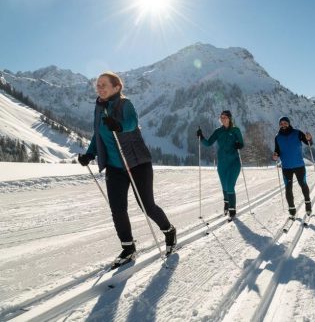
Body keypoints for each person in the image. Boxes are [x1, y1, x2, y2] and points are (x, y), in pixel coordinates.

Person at [77, 71, 176, 269]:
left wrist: (119, 125)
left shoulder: (125, 104)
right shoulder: (98, 108)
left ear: (117, 87)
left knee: (146, 206)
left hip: (137, 163)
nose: (100, 88)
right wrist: (90, 154)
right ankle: (128, 247)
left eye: (104, 84)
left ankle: (169, 230)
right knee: (117, 208)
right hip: (115, 167)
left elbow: (132, 123)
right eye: (98, 85)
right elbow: (98, 135)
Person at [196, 110, 244, 220]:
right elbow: (208, 143)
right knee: (224, 186)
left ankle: (232, 210)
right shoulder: (218, 131)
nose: (223, 119)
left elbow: (241, 143)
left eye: (225, 117)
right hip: (222, 163)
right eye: (221, 117)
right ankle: (226, 203)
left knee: (230, 185)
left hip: (234, 162)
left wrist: (238, 145)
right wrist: (201, 137)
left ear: (230, 118)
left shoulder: (236, 130)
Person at [272, 116, 313, 218]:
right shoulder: (277, 137)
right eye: (281, 123)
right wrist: (275, 155)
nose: (283, 125)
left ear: (289, 123)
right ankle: (292, 210)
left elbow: (308, 143)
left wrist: (309, 139)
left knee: (303, 184)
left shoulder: (297, 133)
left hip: (299, 165)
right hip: (286, 167)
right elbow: (277, 150)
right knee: (288, 188)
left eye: (285, 123)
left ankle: (308, 205)